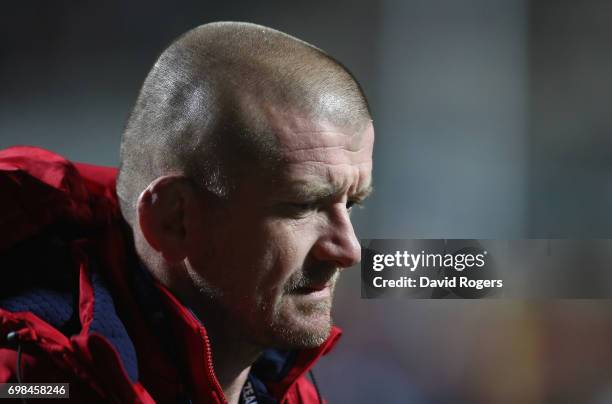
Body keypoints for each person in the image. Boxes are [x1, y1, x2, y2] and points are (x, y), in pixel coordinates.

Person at [0, 21, 374, 404]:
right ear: (173, 220)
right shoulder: (30, 385)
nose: (349, 249)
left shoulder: (282, 387)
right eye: (302, 205)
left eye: (351, 203)